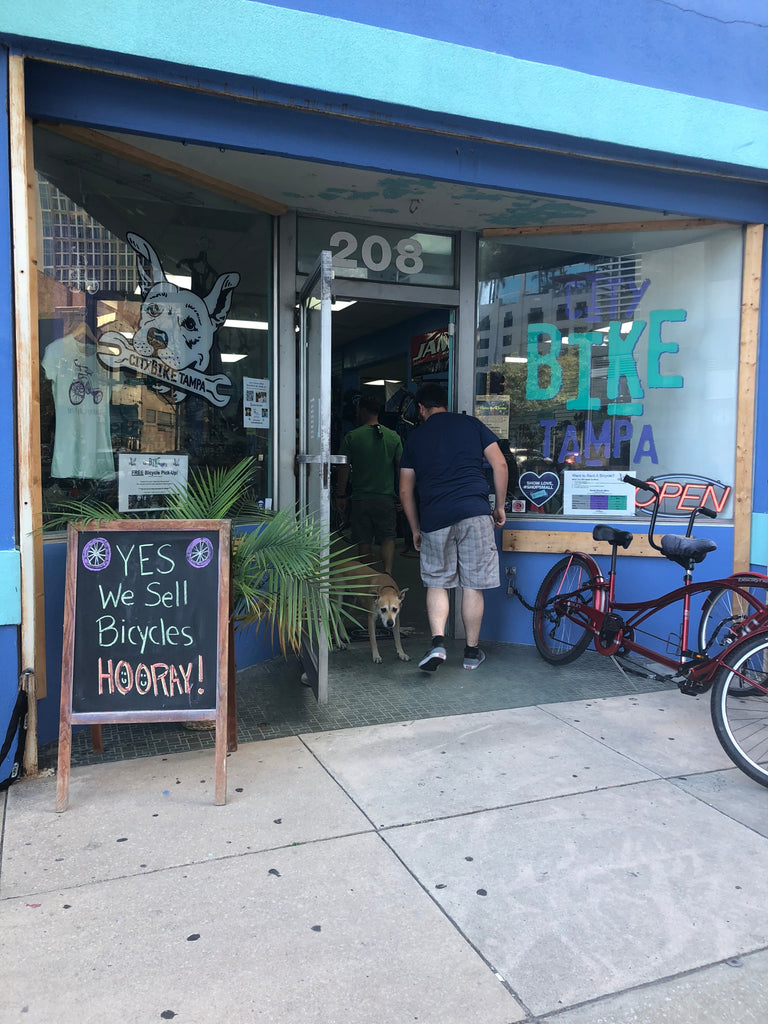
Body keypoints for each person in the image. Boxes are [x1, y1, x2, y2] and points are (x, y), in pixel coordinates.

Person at [398, 383, 508, 671]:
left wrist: (414, 529)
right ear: (444, 404)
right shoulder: (472, 425)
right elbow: (500, 465)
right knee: (472, 585)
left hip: (435, 517)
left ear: (421, 409)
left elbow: (405, 491)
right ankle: (471, 653)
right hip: (474, 512)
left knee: (438, 582)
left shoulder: (415, 437)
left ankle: (437, 644)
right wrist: (499, 506)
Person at [335, 394, 403, 575]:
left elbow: (344, 469)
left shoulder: (352, 437)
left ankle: (369, 577)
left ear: (363, 410)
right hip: (386, 498)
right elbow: (401, 468)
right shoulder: (393, 437)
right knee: (388, 537)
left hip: (361, 499)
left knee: (364, 540)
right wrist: (403, 496)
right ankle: (387, 573)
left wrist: (340, 495)